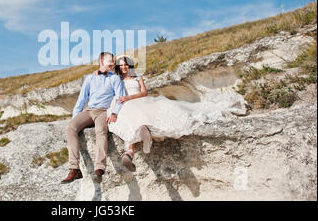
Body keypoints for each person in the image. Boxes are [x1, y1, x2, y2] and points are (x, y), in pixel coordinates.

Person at [107, 55, 247, 172]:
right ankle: (130, 152)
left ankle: (139, 142)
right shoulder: (117, 80)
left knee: (160, 109)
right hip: (125, 104)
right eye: (121, 66)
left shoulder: (138, 77)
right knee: (129, 118)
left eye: (126, 65)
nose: (124, 67)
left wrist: (129, 98)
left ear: (129, 66)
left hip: (139, 99)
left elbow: (144, 92)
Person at [61, 52, 126, 184]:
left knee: (101, 131)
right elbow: (81, 100)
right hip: (89, 110)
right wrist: (75, 119)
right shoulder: (90, 78)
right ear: (101, 61)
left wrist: (114, 113)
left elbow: (121, 99)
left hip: (104, 111)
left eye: (113, 62)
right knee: (70, 128)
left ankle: (99, 169)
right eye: (110, 61)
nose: (113, 64)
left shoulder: (115, 79)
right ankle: (74, 169)